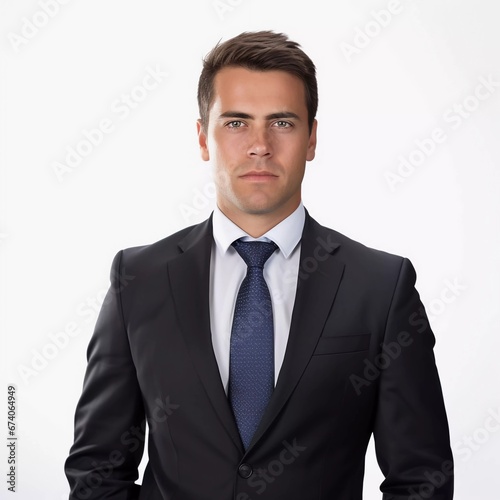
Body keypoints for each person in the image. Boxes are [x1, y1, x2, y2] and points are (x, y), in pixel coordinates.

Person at [65, 31, 454, 499]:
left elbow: (420, 478)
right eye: (235, 123)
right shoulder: (139, 280)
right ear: (202, 138)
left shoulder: (381, 286)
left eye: (283, 123)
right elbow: (98, 470)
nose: (260, 146)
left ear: (311, 137)